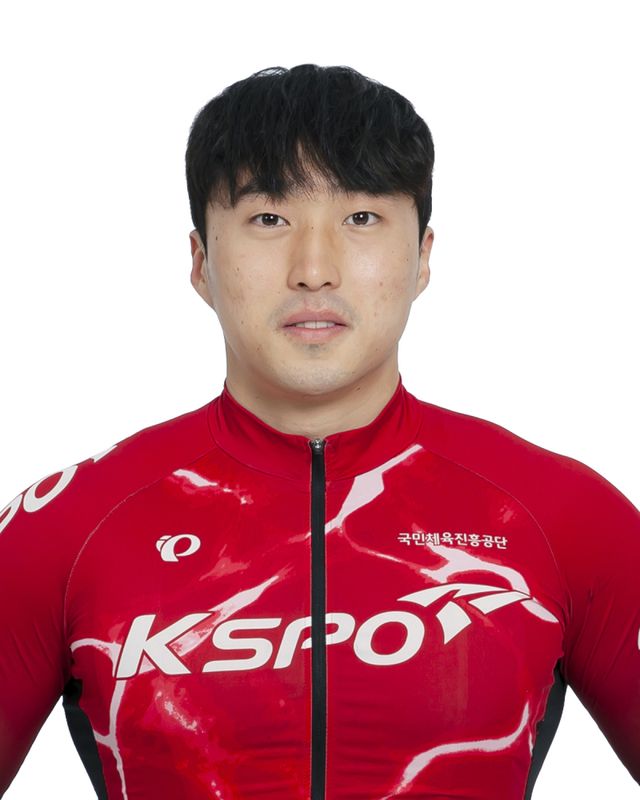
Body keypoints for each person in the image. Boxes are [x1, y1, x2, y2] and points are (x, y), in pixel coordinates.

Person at [0, 63, 638, 800]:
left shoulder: (563, 516)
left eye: (360, 218)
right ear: (201, 262)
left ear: (423, 256)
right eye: (268, 219)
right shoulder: (67, 527)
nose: (313, 269)